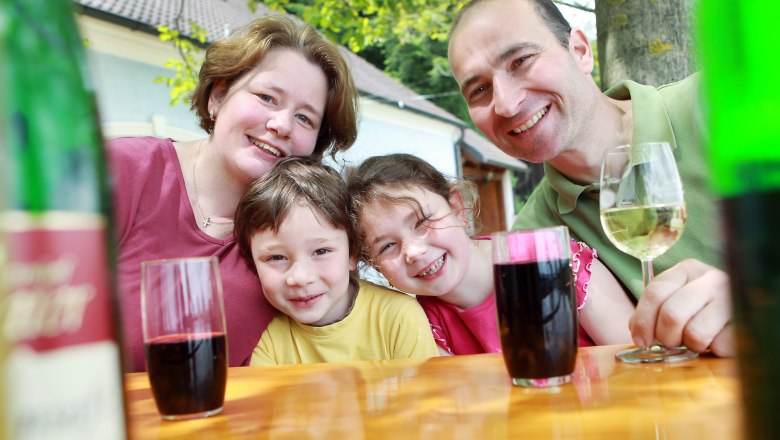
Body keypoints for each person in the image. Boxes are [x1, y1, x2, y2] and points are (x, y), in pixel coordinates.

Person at [447, 0, 734, 356]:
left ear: (581, 51)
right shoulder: (536, 239)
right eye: (479, 90)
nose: (505, 104)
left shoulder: (724, 102)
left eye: (520, 61)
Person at [107, 15, 360, 371]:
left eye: (305, 118)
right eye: (267, 97)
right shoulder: (124, 169)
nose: (281, 124)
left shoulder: (305, 235)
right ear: (218, 96)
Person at [347, 153, 634, 355]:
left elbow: (639, 358)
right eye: (386, 246)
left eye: (422, 221)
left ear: (457, 207)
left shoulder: (554, 262)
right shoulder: (420, 323)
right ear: (373, 265)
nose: (413, 251)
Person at [233, 157, 440, 365]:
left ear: (352, 253)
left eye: (321, 251)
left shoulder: (399, 317)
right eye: (276, 257)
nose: (300, 278)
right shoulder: (266, 338)